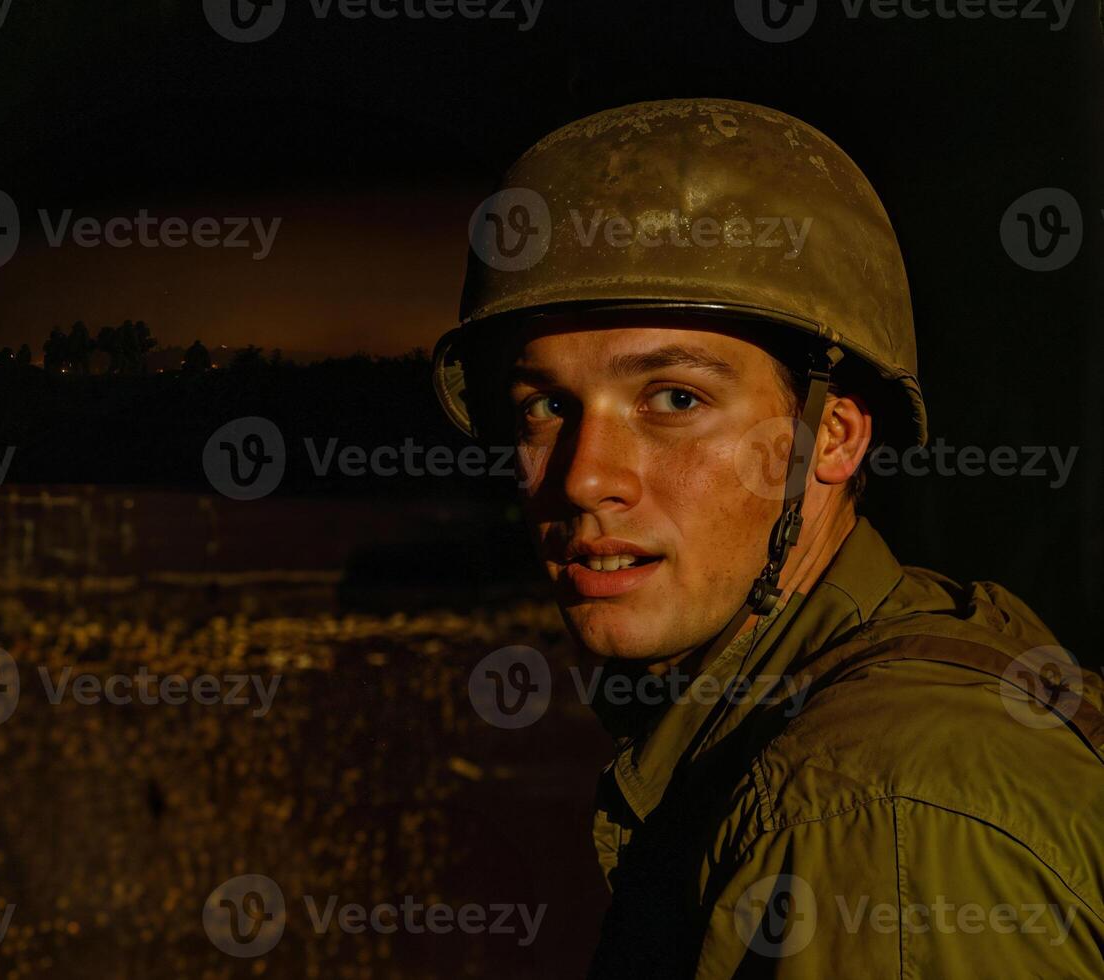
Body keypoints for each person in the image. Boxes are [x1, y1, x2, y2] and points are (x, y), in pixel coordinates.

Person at [432, 98, 1103, 978]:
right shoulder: (834, 708)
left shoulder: (866, 810)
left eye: (674, 398)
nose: (585, 476)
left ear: (832, 438)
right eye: (546, 408)